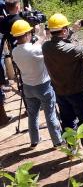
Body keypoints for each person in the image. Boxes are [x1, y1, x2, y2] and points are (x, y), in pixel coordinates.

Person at [42, 13, 83, 158]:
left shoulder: (46, 47)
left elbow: (60, 44)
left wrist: (72, 31)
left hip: (60, 91)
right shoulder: (72, 50)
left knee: (68, 121)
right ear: (63, 30)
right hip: (78, 90)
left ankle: (72, 150)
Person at [11, 20, 63, 148]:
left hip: (28, 87)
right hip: (43, 86)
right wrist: (43, 37)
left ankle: (34, 140)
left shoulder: (14, 52)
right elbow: (42, 49)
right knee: (50, 114)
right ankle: (57, 141)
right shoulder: (34, 50)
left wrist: (41, 37)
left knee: (32, 115)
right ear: (27, 34)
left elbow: (35, 47)